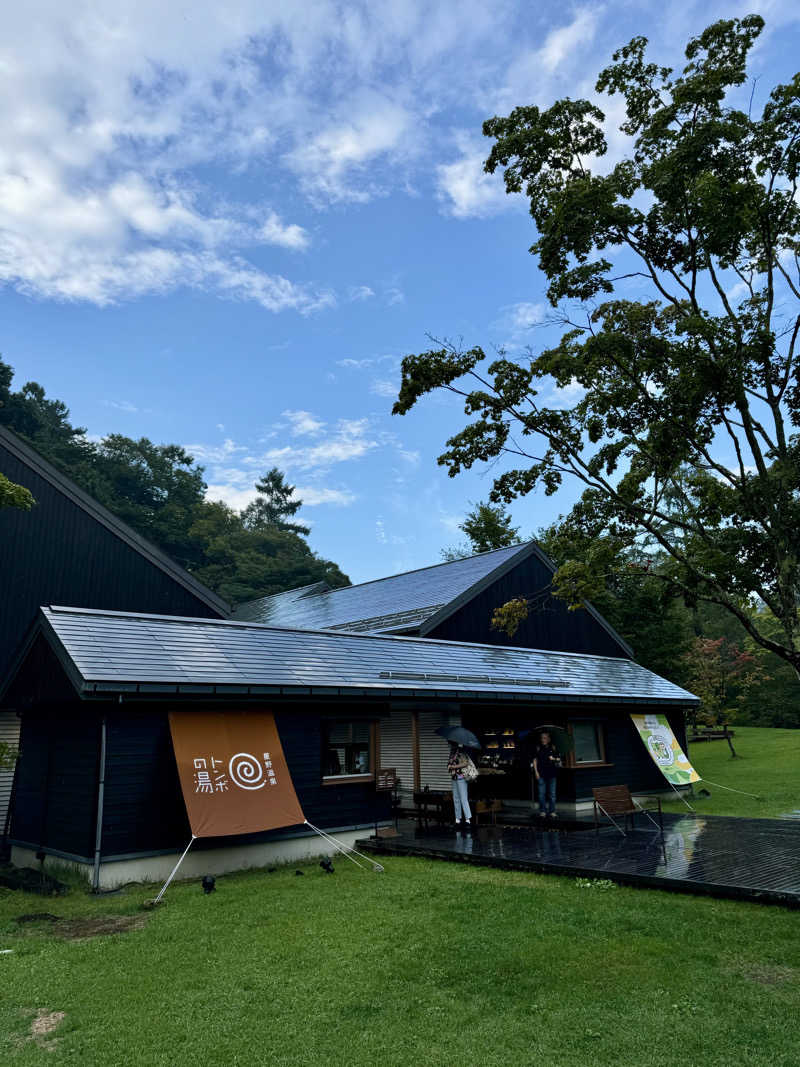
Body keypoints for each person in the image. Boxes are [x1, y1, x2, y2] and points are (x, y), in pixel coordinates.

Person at [533, 731, 560, 818]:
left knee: (552, 795)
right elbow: (535, 760)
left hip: (552, 774)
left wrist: (554, 759)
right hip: (541, 774)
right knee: (541, 794)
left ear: (549, 739)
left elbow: (559, 760)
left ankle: (552, 811)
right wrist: (536, 772)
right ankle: (543, 811)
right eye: (541, 738)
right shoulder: (538, 748)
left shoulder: (553, 747)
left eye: (544, 738)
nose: (542, 739)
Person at [448, 744, 473, 829]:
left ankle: (468, 820)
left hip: (461, 777)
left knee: (463, 799)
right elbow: (449, 763)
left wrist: (454, 766)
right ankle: (457, 819)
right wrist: (449, 766)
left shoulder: (462, 752)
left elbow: (465, 763)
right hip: (454, 777)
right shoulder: (452, 753)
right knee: (456, 798)